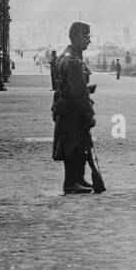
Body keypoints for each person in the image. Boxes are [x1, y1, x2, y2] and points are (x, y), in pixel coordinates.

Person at [52, 21, 96, 195]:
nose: (89, 41)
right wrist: (89, 113)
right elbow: (79, 93)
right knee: (73, 144)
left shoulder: (66, 56)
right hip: (73, 110)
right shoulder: (73, 61)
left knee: (78, 143)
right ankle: (71, 181)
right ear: (77, 37)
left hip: (66, 108)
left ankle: (78, 178)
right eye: (86, 37)